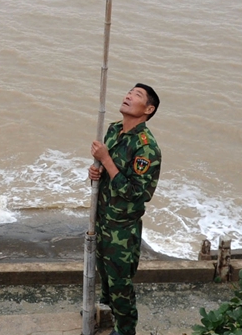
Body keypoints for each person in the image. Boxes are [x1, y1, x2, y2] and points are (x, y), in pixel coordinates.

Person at [88, 83, 162, 335]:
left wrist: (107, 160)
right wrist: (96, 171)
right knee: (104, 276)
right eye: (129, 92)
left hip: (122, 227)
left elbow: (138, 194)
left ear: (148, 109)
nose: (128, 96)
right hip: (102, 218)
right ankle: (106, 311)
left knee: (121, 285)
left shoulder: (146, 148)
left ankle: (125, 330)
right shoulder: (114, 129)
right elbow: (108, 173)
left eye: (137, 95)